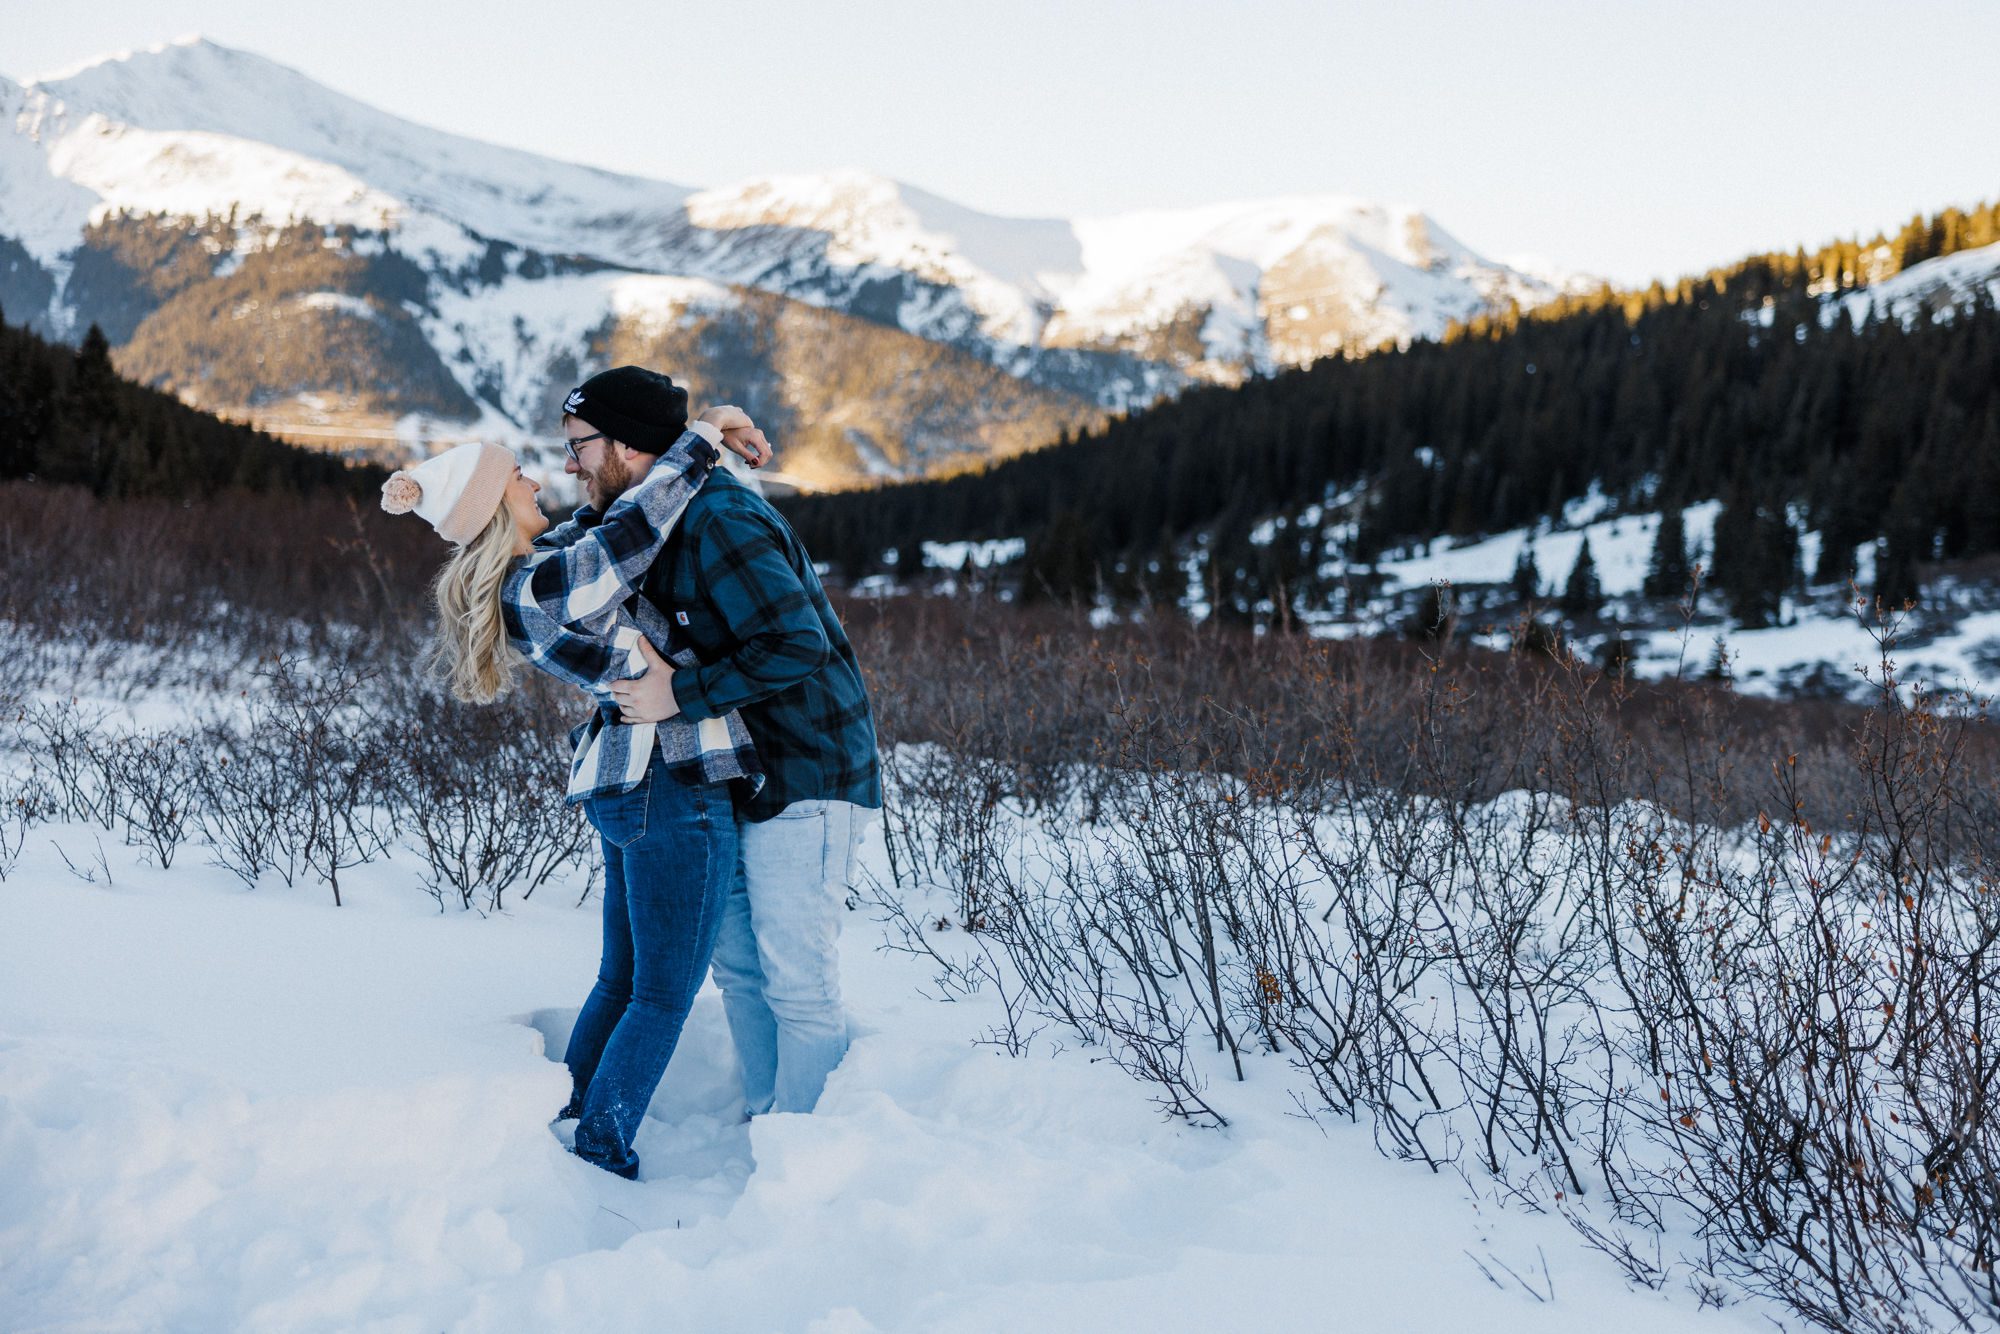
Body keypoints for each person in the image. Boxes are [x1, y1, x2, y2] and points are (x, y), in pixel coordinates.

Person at [378, 388, 768, 1178]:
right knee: (660, 994)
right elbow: (631, 533)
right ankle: (601, 1144)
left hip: (633, 785)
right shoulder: (542, 587)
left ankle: (571, 1115)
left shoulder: (540, 570)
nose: (536, 479)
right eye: (517, 478)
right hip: (671, 779)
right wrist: (694, 445)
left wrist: (702, 435)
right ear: (496, 511)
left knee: (623, 980)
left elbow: (604, 523)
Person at [599, 375, 882, 1118]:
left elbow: (799, 643)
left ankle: (815, 1162)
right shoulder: (653, 518)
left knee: (798, 981)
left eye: (580, 448)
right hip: (730, 772)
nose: (570, 465)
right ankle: (769, 1127)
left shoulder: (719, 517)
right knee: (742, 972)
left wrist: (676, 697)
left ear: (627, 448)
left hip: (807, 769)